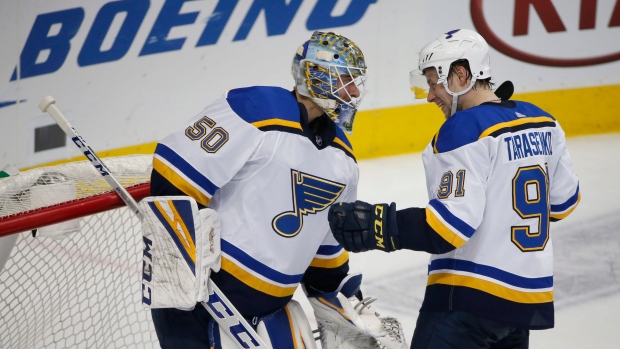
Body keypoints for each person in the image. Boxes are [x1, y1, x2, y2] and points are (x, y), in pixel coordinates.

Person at [147, 31, 405, 349]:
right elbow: (174, 175)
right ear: (315, 76)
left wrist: (344, 299)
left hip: (269, 314)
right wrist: (180, 259)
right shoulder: (254, 109)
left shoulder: (343, 158)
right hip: (197, 306)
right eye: (345, 79)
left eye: (356, 82)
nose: (354, 91)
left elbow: (326, 250)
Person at [327, 28, 581, 349]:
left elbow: (447, 230)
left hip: (467, 304)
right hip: (523, 308)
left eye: (434, 83)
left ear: (461, 75)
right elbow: (562, 205)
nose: (431, 95)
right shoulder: (544, 121)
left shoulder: (463, 130)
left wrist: (378, 224)